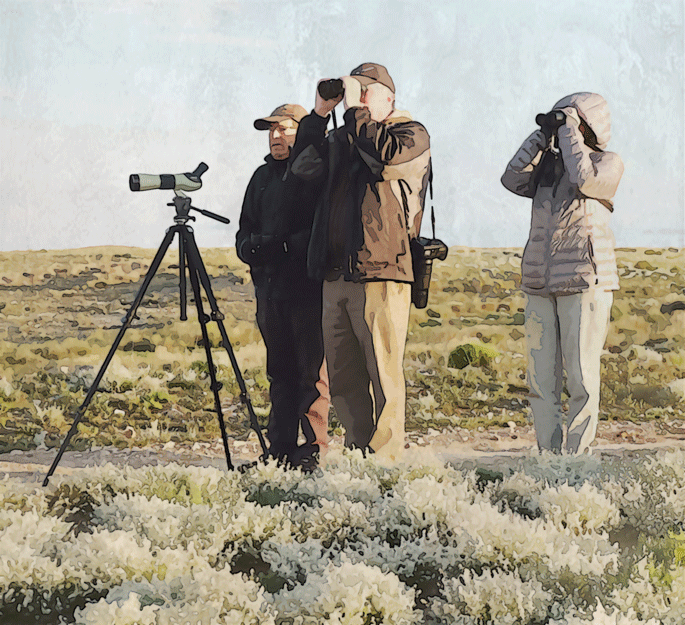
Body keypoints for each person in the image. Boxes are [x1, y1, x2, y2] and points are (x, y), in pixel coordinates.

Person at [289, 63, 431, 461]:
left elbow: (384, 159)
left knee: (383, 371)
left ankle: (386, 459)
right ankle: (358, 453)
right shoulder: (344, 137)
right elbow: (302, 169)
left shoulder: (410, 134)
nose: (359, 98)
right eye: (357, 91)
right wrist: (319, 116)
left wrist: (355, 113)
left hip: (382, 270)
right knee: (344, 376)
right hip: (336, 273)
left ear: (390, 98)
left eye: (368, 92)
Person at [501, 92, 624, 455]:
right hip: (540, 284)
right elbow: (510, 178)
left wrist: (567, 129)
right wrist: (540, 137)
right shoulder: (546, 171)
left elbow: (585, 180)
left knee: (583, 378)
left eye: (572, 120)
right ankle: (549, 459)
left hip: (585, 281)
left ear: (590, 124)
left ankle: (578, 461)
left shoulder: (609, 162)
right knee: (541, 382)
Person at [236, 103, 330, 470]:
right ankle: (279, 451)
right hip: (270, 290)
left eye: (285, 129)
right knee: (279, 374)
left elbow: (319, 229)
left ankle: (312, 451)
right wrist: (252, 248)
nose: (276, 136)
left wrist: (289, 246)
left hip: (306, 289)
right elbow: (244, 229)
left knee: (311, 375)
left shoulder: (314, 175)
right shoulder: (260, 177)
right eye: (272, 130)